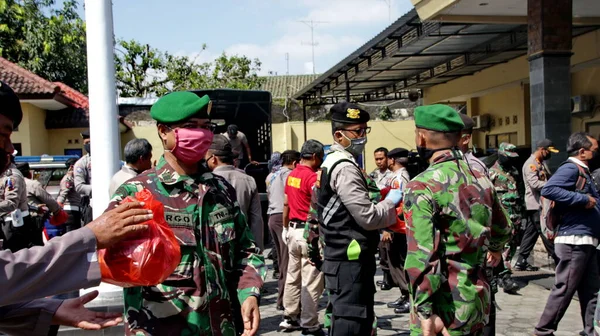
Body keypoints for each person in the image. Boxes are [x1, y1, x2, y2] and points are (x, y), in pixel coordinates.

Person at [0, 80, 156, 334]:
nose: (9, 149)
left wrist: (48, 311)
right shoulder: (85, 167)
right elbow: (6, 275)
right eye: (4, 134)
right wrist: (90, 237)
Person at [108, 91, 266, 336]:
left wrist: (249, 292)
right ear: (163, 131)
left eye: (206, 127)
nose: (201, 133)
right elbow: (111, 262)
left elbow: (247, 250)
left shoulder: (220, 190)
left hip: (220, 328)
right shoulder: (136, 193)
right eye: (190, 126)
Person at [403, 104, 511, 336]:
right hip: (477, 300)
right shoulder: (481, 178)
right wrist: (495, 250)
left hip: (444, 306)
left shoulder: (422, 185)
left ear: (421, 138)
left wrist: (424, 311)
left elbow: (421, 257)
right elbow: (503, 229)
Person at [316, 102, 401, 336]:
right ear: (338, 135)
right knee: (350, 323)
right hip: (348, 259)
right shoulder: (343, 167)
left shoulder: (338, 161)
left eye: (365, 130)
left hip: (346, 257)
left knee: (356, 319)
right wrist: (391, 203)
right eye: (357, 132)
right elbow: (368, 217)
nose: (363, 137)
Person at [534, 133, 600, 336]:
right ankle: (543, 330)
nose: (596, 153)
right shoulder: (571, 168)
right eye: (595, 150)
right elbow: (550, 189)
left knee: (591, 290)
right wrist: (582, 199)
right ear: (582, 152)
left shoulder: (584, 171)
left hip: (586, 239)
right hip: (574, 239)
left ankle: (591, 331)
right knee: (565, 287)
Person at [279, 140, 325, 335]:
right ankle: (309, 323)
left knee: (292, 276)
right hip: (308, 233)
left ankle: (289, 317)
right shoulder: (312, 177)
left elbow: (287, 204)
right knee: (311, 279)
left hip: (292, 230)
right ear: (314, 157)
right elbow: (319, 204)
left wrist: (285, 227)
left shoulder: (292, 175)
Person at [207, 134, 264, 251]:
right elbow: (256, 219)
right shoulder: (249, 180)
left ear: (213, 158)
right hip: (243, 244)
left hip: (215, 248)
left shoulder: (205, 182)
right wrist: (258, 248)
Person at [517, 138, 559, 270]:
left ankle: (521, 260)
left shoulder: (541, 163)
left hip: (542, 204)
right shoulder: (530, 164)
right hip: (536, 205)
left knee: (531, 233)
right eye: (548, 151)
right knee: (544, 231)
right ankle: (559, 259)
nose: (550, 155)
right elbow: (535, 184)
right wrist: (553, 185)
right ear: (542, 150)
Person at [267, 150, 300, 311]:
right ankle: (285, 300)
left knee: (282, 261)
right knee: (288, 262)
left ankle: (284, 298)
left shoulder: (271, 175)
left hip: (273, 216)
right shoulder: (290, 176)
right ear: (294, 163)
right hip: (283, 217)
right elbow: (290, 199)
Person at [488, 142, 523, 294]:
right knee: (503, 248)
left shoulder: (514, 171)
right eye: (508, 157)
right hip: (502, 217)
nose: (510, 160)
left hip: (515, 215)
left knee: (512, 246)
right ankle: (503, 276)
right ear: (501, 155)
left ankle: (502, 275)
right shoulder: (492, 173)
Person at [381, 147, 411, 315]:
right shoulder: (397, 177)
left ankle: (409, 296)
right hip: (395, 226)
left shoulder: (400, 178)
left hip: (399, 228)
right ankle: (404, 293)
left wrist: (388, 226)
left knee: (400, 263)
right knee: (394, 263)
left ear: (392, 160)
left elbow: (399, 204)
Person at [17, 163, 68, 242]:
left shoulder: (12, 183)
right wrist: (57, 211)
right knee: (35, 246)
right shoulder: (31, 184)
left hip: (14, 221)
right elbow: (48, 200)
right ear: (28, 172)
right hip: (32, 220)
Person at [0, 151, 33, 251]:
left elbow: (11, 203)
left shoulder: (12, 176)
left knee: (14, 257)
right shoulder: (3, 174)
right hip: (8, 222)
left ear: (7, 157)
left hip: (14, 224)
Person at [266, 151, 282, 279]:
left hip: (271, 211)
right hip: (281, 211)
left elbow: (268, 195)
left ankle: (276, 268)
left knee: (274, 243)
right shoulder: (283, 175)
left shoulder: (269, 176)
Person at [57, 158, 81, 234]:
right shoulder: (69, 178)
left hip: (75, 211)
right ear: (72, 167)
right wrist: (59, 204)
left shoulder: (74, 177)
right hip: (71, 212)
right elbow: (64, 192)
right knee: (71, 237)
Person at [74, 130, 92, 225]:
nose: (88, 145)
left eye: (90, 142)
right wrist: (97, 190)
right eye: (86, 143)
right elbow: (79, 186)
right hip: (89, 202)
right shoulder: (81, 163)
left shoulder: (109, 158)